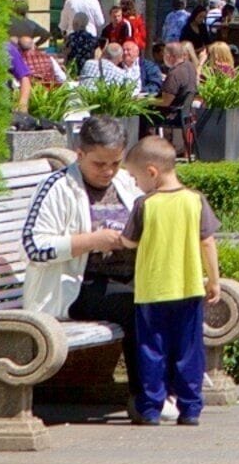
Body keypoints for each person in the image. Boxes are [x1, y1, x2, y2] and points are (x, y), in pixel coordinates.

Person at [118, 135, 221, 425]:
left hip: (151, 291)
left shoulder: (144, 204)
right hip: (188, 288)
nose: (136, 184)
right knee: (189, 351)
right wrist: (214, 280)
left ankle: (150, 408)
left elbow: (128, 241)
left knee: (151, 350)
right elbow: (208, 243)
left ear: (151, 172)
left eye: (136, 177)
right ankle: (190, 409)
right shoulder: (195, 200)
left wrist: (115, 238)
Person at [21, 115, 143, 330]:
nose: (108, 171)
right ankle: (147, 366)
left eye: (115, 163)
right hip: (75, 286)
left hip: (128, 278)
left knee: (171, 300)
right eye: (99, 164)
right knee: (136, 306)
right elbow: (33, 248)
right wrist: (92, 241)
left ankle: (170, 365)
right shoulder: (57, 188)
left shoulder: (125, 181)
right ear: (79, 154)